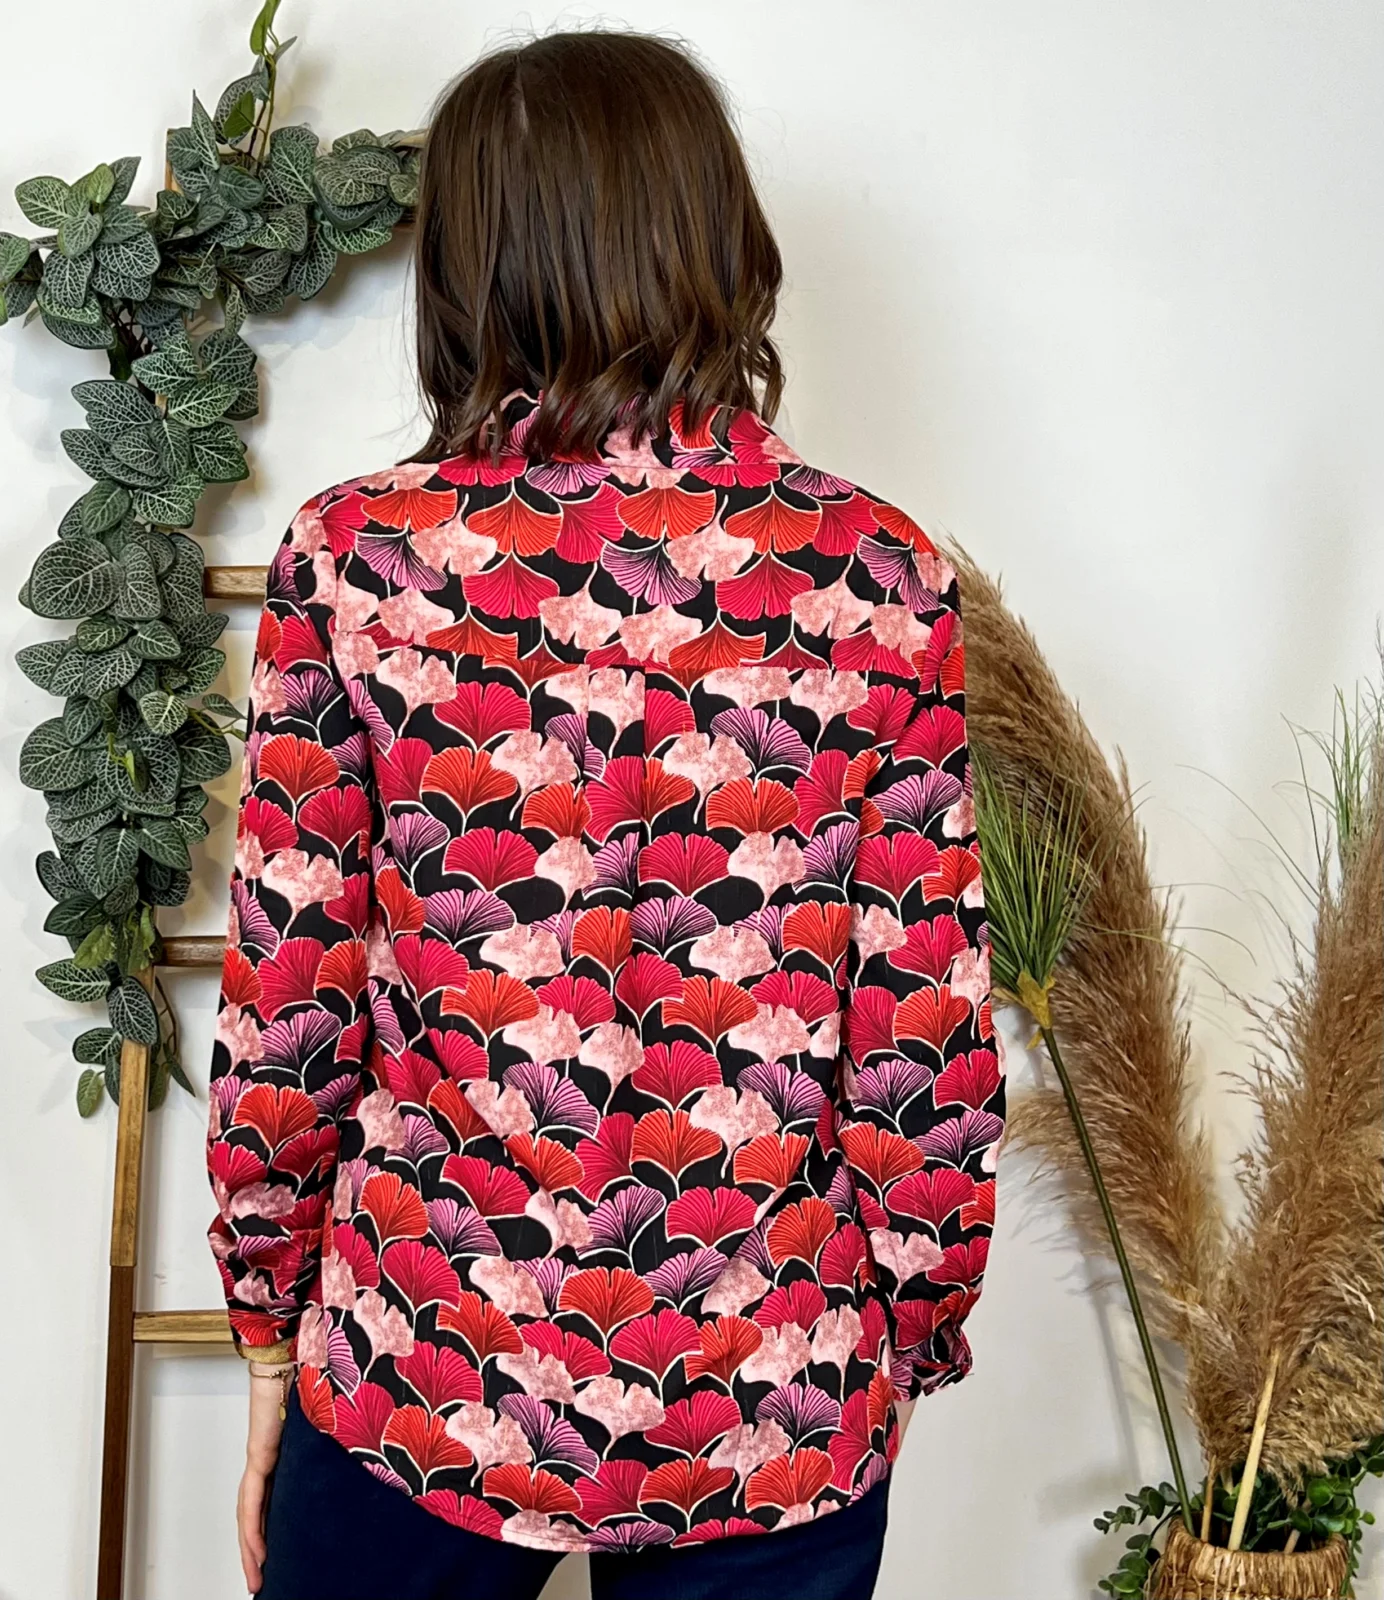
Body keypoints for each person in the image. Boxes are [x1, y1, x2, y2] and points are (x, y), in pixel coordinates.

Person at [204, 27, 1003, 1600]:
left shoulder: (359, 562)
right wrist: (906, 1337)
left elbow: (288, 1004)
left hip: (419, 1371)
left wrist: (267, 1336)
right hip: (771, 1392)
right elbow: (922, 1033)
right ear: (719, 238)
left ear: (472, 265)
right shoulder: (878, 581)